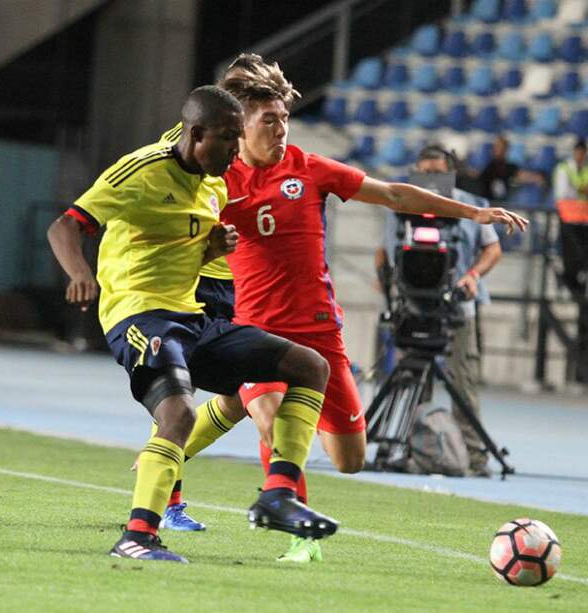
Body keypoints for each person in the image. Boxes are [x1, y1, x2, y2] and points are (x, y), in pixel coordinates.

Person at [167, 66, 527, 562]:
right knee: (271, 419)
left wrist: (471, 212)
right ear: (242, 127)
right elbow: (179, 225)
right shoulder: (221, 181)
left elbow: (394, 194)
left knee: (350, 458)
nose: (281, 128)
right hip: (256, 329)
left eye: (285, 118)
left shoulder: (310, 169)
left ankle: (175, 445)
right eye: (269, 120)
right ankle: (299, 535)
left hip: (319, 333)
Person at [47, 85, 338, 564]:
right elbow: (65, 226)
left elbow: (182, 249)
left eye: (238, 138)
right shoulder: (141, 171)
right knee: (178, 414)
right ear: (197, 134)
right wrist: (81, 273)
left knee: (309, 366)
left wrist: (212, 249)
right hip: (138, 314)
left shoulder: (215, 186)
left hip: (191, 317)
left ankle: (279, 494)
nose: (235, 151)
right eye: (227, 138)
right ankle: (138, 536)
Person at [149, 53, 277, 533]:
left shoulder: (256, 145)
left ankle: (161, 458)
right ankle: (167, 500)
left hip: (236, 283)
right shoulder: (188, 143)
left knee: (237, 399)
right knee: (180, 389)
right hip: (194, 278)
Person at [377, 143, 503, 477]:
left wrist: (473, 275)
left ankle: (474, 457)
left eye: (437, 172)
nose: (431, 178)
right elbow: (385, 252)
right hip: (412, 305)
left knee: (462, 381)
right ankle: (414, 449)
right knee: (413, 382)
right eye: (425, 172)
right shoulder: (399, 208)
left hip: (458, 306)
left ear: (451, 173)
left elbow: (493, 249)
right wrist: (388, 287)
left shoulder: (474, 206)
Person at [553, 138, 588, 384]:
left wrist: (581, 190)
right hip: (569, 220)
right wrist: (583, 190)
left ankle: (570, 281)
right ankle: (567, 279)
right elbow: (565, 193)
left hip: (584, 221)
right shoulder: (564, 168)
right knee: (572, 258)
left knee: (583, 258)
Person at [477, 135, 544, 202]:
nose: (498, 150)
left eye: (501, 147)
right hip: (486, 202)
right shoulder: (488, 167)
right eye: (496, 147)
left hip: (502, 203)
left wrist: (536, 178)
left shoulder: (509, 167)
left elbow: (520, 175)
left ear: (506, 149)